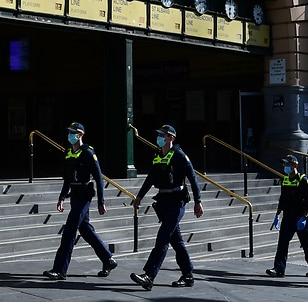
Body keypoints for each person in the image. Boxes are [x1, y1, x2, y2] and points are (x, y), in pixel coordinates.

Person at [130, 125, 204, 291]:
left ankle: (149, 275)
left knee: (162, 238)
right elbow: (150, 178)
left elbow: (192, 178)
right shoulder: (158, 155)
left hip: (177, 202)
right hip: (164, 202)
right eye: (159, 135)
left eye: (163, 135)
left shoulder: (179, 155)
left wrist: (198, 201)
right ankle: (188, 275)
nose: (159, 138)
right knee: (176, 241)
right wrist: (139, 196)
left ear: (171, 138)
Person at [42, 122, 117, 280]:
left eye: (73, 132)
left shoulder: (88, 153)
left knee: (69, 231)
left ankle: (59, 270)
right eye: (69, 132)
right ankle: (108, 259)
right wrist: (62, 197)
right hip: (74, 195)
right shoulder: (69, 152)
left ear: (80, 135)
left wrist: (101, 201)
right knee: (85, 230)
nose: (70, 135)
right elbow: (67, 178)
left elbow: (99, 178)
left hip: (84, 196)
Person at [265, 154, 308, 278]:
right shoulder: (285, 179)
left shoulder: (303, 180)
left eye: (288, 164)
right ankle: (279, 268)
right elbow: (282, 199)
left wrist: (304, 217)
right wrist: (277, 215)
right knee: (282, 243)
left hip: (300, 216)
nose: (285, 166)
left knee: (306, 243)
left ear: (295, 165)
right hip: (288, 216)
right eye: (284, 164)